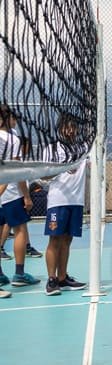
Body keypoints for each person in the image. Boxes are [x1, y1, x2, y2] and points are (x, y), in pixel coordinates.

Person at [41, 116, 89, 294]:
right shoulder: (51, 149)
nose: (70, 131)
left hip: (76, 201)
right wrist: (60, 168)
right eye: (66, 127)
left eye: (73, 127)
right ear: (59, 128)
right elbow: (44, 177)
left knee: (67, 240)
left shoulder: (83, 148)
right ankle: (51, 280)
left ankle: (62, 278)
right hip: (58, 201)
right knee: (54, 239)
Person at [0, 105, 38, 290]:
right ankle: (19, 274)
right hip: (10, 192)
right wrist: (26, 196)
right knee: (20, 230)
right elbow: (17, 170)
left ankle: (0, 275)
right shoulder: (12, 139)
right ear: (8, 119)